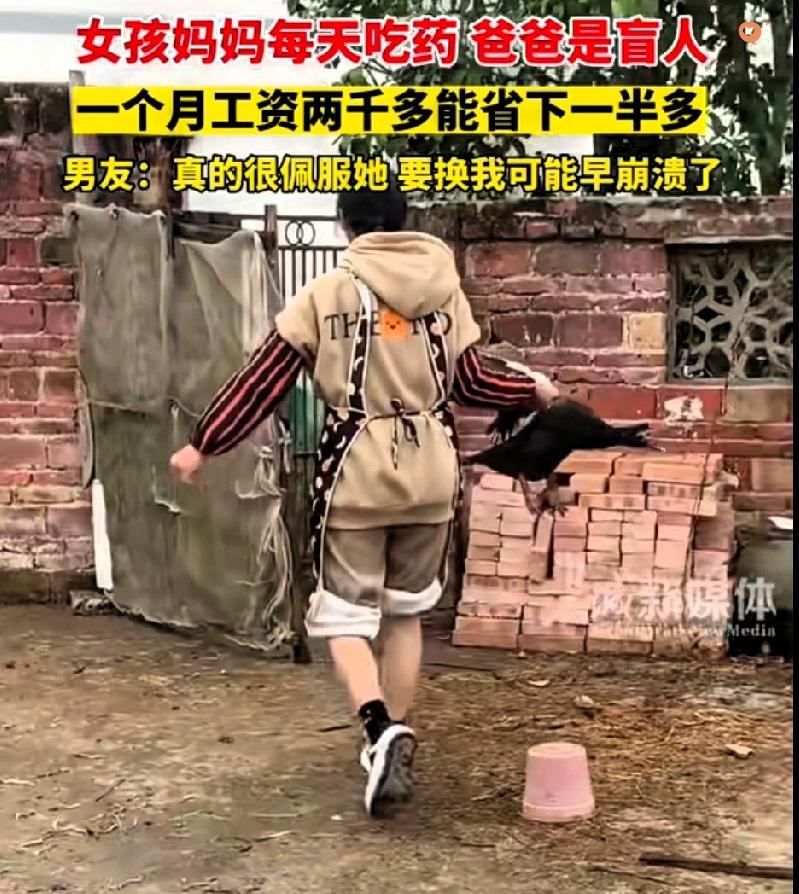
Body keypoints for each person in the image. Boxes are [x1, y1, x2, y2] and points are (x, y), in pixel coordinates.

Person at [170, 183, 558, 817]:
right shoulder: (443, 288)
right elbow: (472, 380)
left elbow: (264, 379)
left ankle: (379, 730)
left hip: (357, 472)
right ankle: (392, 737)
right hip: (432, 472)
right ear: (404, 222)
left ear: (346, 227)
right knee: (405, 614)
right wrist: (532, 388)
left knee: (344, 617)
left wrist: (203, 444)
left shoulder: (327, 293)